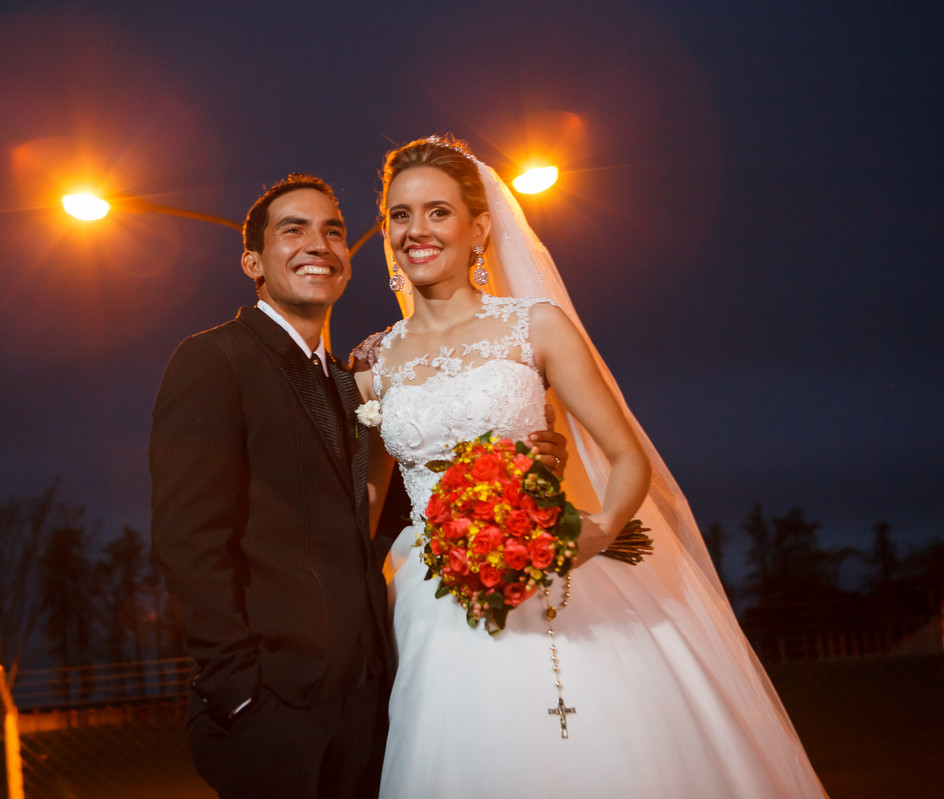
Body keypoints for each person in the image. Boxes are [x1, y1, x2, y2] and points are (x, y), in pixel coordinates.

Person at [354, 136, 827, 798]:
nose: (415, 231)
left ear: (479, 227)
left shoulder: (535, 327)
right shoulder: (373, 362)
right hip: (437, 603)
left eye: (437, 211)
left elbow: (626, 454)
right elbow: (364, 504)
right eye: (399, 215)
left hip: (560, 583)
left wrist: (591, 535)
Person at [150, 173, 569, 799]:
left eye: (333, 231)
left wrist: (524, 462)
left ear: (348, 261)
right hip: (270, 707)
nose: (317, 243)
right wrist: (236, 690)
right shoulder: (214, 360)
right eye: (293, 230)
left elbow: (397, 505)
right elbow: (188, 540)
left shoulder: (353, 383)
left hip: (369, 702)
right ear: (252, 261)